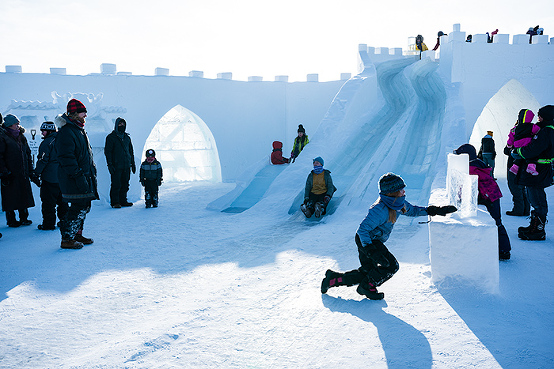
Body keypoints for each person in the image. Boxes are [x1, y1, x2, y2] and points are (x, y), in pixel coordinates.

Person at [320, 173, 456, 300]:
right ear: (393, 192)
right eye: (402, 189)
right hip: (366, 241)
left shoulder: (398, 204)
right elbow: (362, 230)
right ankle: (366, 287)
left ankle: (333, 279)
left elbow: (413, 210)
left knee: (368, 272)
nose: (404, 191)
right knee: (391, 266)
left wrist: (436, 210)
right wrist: (370, 249)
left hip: (372, 240)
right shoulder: (379, 210)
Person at [454, 144, 511, 260]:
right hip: (493, 195)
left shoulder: (470, 169)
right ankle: (503, 249)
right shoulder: (478, 162)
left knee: (496, 223)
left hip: (489, 197)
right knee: (497, 222)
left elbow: (469, 186)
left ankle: (504, 250)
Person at [55, 98, 99, 249]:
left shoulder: (78, 129)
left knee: (84, 206)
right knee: (77, 207)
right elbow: (67, 158)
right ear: (74, 114)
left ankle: (76, 234)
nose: (85, 115)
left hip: (83, 176)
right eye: (82, 113)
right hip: (74, 178)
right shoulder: (67, 131)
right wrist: (78, 175)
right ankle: (67, 238)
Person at [512, 105, 554, 241]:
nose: (538, 118)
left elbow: (534, 149)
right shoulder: (547, 129)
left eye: (540, 115)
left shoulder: (547, 131)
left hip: (538, 171)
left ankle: (538, 229)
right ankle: (535, 226)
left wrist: (518, 152)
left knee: (537, 199)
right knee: (535, 198)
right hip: (539, 169)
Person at [0, 114, 35, 227]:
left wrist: (30, 168)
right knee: (10, 196)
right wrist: (4, 171)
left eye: (18, 123)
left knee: (23, 194)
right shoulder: (3, 137)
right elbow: (0, 156)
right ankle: (11, 220)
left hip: (22, 171)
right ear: (10, 125)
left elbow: (27, 153)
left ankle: (24, 217)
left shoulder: (21, 136)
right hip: (10, 173)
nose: (18, 126)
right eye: (16, 124)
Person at [34, 121, 69, 230]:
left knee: (48, 202)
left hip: (50, 178)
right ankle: (65, 221)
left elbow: (42, 160)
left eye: (43, 131)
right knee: (62, 201)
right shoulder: (63, 140)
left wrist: (36, 173)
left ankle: (48, 224)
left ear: (49, 131)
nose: (42, 133)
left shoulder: (47, 143)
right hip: (62, 177)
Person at [503, 110, 533, 216]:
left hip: (514, 160)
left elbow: (507, 148)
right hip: (527, 160)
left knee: (513, 184)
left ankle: (518, 209)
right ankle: (526, 209)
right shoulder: (533, 130)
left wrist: (508, 149)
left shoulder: (516, 129)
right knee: (522, 185)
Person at [104, 117, 135, 208]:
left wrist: (132, 164)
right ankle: (115, 202)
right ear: (116, 125)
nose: (122, 126)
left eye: (123, 124)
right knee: (116, 184)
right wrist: (110, 164)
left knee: (125, 183)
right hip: (116, 165)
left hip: (126, 165)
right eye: (120, 124)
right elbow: (108, 152)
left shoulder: (127, 138)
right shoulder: (111, 137)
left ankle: (123, 200)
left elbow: (130, 151)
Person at [506, 109, 540, 177]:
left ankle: (515, 167)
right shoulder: (531, 126)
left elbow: (511, 138)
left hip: (517, 145)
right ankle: (531, 166)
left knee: (519, 156)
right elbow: (538, 131)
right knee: (530, 155)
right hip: (527, 144)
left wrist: (509, 146)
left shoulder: (515, 128)